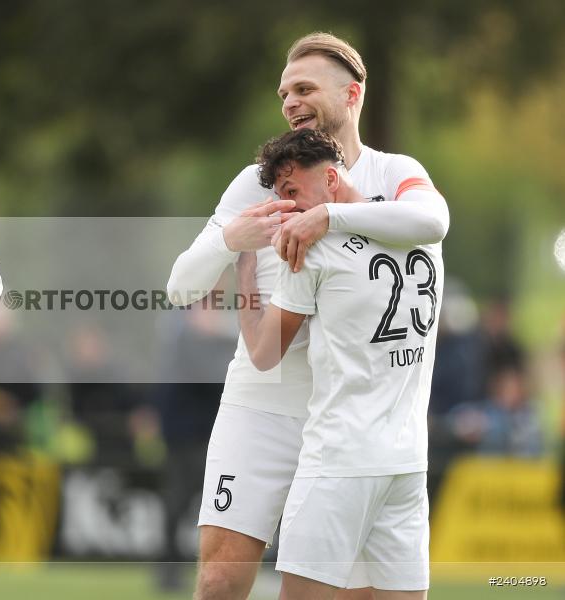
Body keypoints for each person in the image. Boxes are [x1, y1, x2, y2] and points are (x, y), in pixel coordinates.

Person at [166, 33, 449, 600]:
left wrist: (328, 219)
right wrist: (232, 240)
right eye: (283, 93)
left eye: (304, 88)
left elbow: (432, 221)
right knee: (220, 577)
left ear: (353, 95)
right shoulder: (259, 181)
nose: (290, 102)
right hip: (263, 405)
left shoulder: (392, 172)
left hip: (350, 420)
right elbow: (180, 287)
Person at [237, 128, 442, 598]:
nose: (288, 207)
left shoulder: (315, 247)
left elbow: (265, 354)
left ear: (331, 179)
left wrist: (243, 263)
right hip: (406, 463)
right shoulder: (418, 229)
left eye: (292, 192)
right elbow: (432, 218)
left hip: (338, 462)